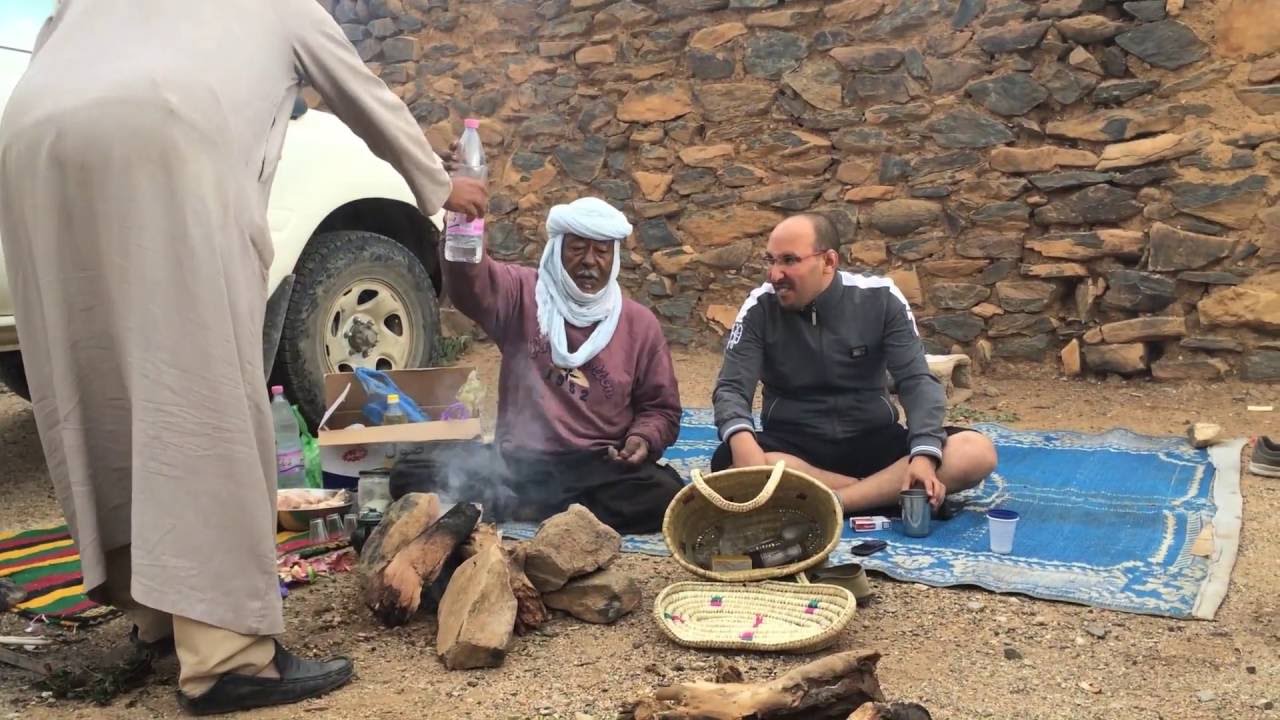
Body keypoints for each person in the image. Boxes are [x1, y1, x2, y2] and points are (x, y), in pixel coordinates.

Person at [0, 1, 486, 714]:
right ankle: (226, 658)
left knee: (98, 383)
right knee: (195, 390)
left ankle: (159, 617)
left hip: (28, 144)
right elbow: (364, 96)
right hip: (161, 138)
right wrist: (443, 189)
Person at [419, 196, 683, 534]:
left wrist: (642, 438)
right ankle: (557, 510)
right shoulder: (521, 294)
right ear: (557, 248)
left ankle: (526, 507)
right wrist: (464, 223)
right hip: (520, 463)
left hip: (598, 466)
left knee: (667, 496)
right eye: (577, 248)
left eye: (602, 251)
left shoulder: (639, 324)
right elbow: (471, 284)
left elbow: (661, 409)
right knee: (414, 473)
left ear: (614, 259)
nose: (590, 261)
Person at [710, 214, 997, 514]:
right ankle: (884, 494)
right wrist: (745, 450)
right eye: (771, 260)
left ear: (829, 262)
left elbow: (916, 380)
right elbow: (731, 387)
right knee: (730, 461)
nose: (774, 274)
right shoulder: (759, 307)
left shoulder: (881, 299)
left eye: (789, 261)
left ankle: (836, 502)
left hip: (873, 440)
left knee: (976, 452)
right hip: (794, 445)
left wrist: (924, 456)